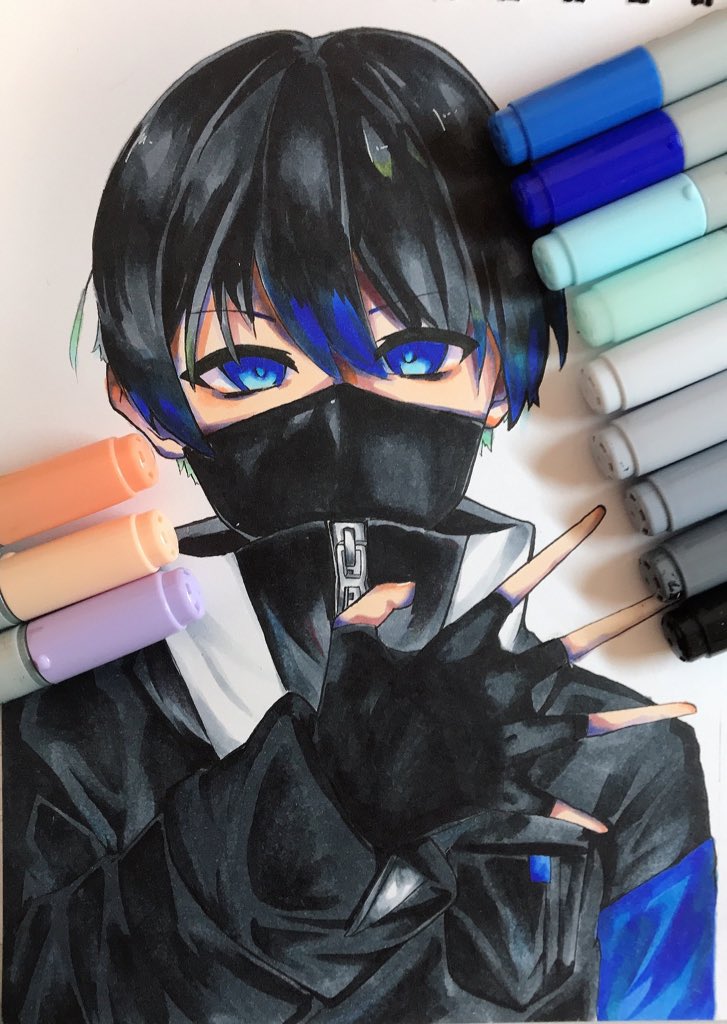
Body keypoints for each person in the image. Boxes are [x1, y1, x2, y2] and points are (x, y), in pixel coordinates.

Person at [2, 29, 715, 1024]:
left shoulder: (620, 756)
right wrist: (313, 815)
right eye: (249, 370)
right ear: (149, 404)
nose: (338, 413)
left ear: (504, 368)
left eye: (417, 354)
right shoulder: (61, 739)